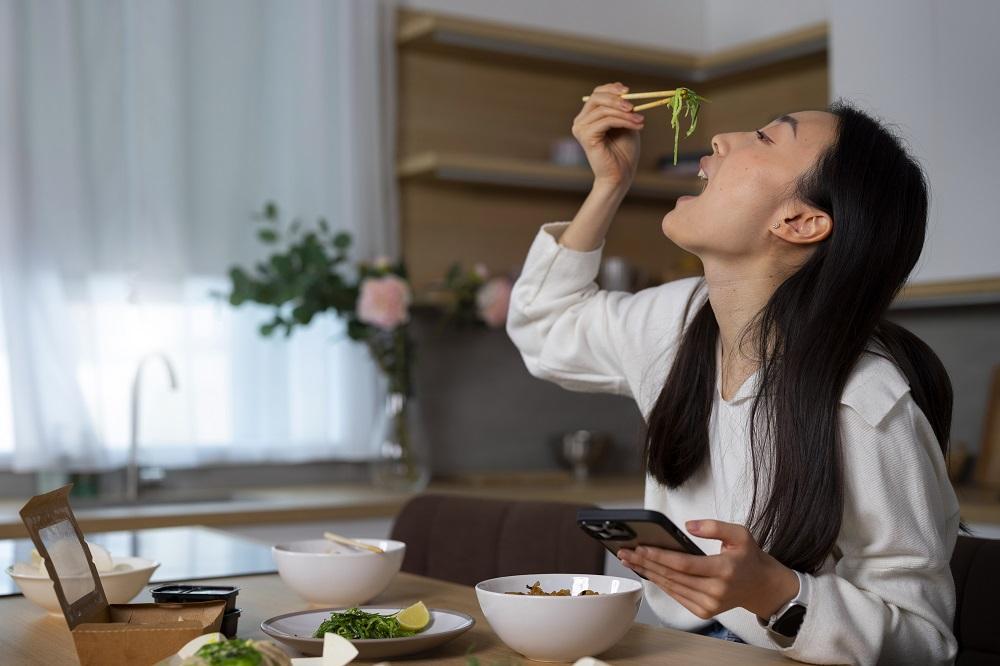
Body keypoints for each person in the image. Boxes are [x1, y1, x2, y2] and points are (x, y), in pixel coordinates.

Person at [506, 82, 960, 664]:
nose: (720, 138)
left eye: (766, 138)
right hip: (670, 648)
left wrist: (778, 594)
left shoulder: (865, 400)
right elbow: (546, 327)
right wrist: (608, 184)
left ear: (800, 221)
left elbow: (924, 642)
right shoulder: (677, 320)